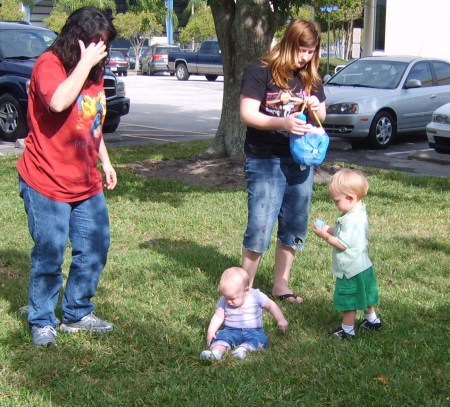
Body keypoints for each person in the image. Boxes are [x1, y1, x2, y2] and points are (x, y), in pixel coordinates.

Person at [17, 6, 118, 346]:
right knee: (50, 251)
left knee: (95, 247)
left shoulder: (93, 72)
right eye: (95, 45)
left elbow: (91, 121)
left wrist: (105, 161)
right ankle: (42, 320)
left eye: (104, 46)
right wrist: (85, 64)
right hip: (45, 180)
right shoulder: (50, 65)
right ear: (76, 41)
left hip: (85, 180)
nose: (101, 52)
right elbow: (59, 102)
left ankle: (76, 312)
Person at [239, 19, 326, 303]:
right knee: (260, 225)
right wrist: (283, 123)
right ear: (289, 43)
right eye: (301, 50)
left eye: (311, 51)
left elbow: (322, 116)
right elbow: (247, 114)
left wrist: (315, 108)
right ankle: (245, 289)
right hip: (266, 159)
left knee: (295, 224)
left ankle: (281, 284)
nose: (305, 57)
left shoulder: (310, 76)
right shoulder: (259, 71)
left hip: (301, 159)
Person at [312, 169, 382, 339]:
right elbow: (343, 233)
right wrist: (329, 229)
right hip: (363, 265)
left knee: (349, 300)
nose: (335, 204)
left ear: (350, 198)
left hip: (349, 269)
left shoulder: (350, 220)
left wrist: (325, 236)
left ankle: (347, 330)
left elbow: (342, 244)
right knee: (364, 293)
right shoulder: (358, 211)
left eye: (337, 201)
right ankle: (372, 320)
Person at [200, 267, 288, 361]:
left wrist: (281, 319)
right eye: (226, 297)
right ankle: (216, 353)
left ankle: (244, 350)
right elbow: (218, 316)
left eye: (232, 298)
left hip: (254, 331)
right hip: (230, 330)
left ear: (245, 291)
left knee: (260, 339)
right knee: (221, 337)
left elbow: (271, 306)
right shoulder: (224, 300)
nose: (228, 301)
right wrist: (211, 330)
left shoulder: (256, 296)